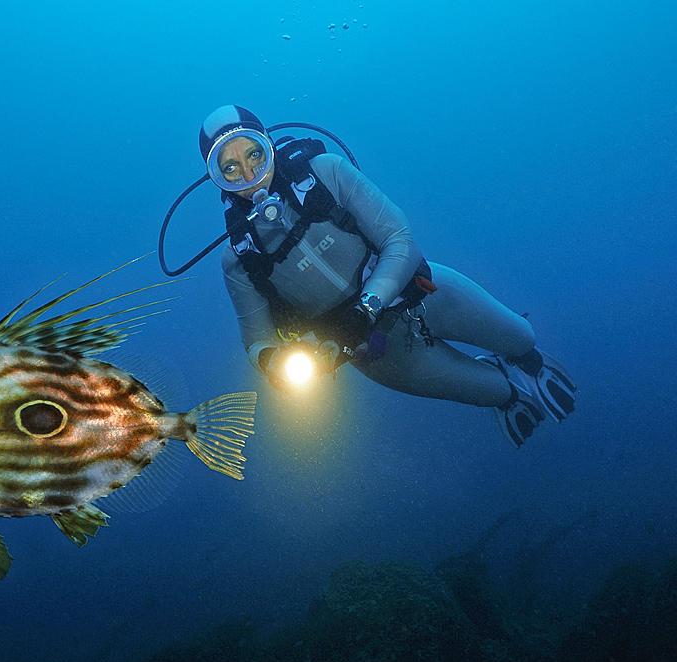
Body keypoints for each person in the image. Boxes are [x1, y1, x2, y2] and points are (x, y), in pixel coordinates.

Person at [196, 105, 576, 448]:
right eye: (230, 168)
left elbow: (401, 240)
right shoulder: (239, 258)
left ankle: (525, 360)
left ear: (269, 147)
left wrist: (366, 308)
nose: (249, 174)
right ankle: (503, 389)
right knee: (496, 392)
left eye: (253, 154)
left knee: (522, 338)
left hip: (427, 295)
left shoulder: (327, 172)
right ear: (217, 178)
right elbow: (257, 342)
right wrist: (276, 365)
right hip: (379, 354)